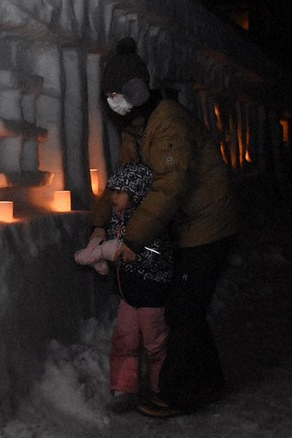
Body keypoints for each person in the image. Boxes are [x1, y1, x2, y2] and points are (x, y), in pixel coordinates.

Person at [89, 36, 239, 417]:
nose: (112, 101)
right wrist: (99, 225)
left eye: (116, 94)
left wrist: (132, 239)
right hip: (186, 227)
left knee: (182, 310)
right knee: (188, 308)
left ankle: (179, 394)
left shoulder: (168, 123)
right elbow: (123, 180)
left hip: (207, 226)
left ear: (135, 91)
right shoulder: (137, 127)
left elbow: (167, 188)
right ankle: (209, 383)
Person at [74, 162, 173, 413]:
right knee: (124, 341)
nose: (113, 197)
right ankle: (124, 388)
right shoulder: (117, 220)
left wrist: (124, 250)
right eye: (113, 191)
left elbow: (156, 252)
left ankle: (162, 389)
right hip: (128, 295)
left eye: (120, 192)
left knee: (156, 344)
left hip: (151, 295)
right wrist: (100, 252)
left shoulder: (149, 222)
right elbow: (109, 244)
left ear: (137, 193)